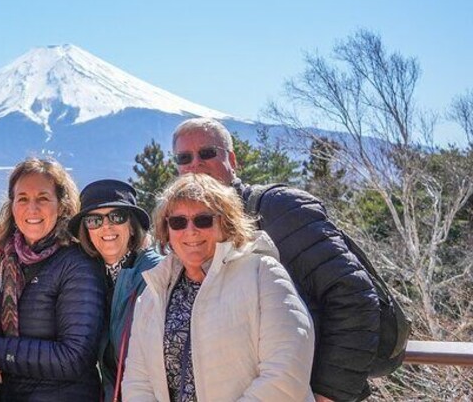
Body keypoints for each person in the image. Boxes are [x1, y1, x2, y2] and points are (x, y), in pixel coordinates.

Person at [171, 118, 381, 402]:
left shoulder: (280, 210)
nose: (195, 164)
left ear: (232, 160)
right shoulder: (186, 232)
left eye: (207, 153)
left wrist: (328, 393)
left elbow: (355, 296)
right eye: (185, 158)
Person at [123, 173, 314, 401]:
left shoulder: (263, 273)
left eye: (203, 220)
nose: (190, 230)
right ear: (166, 230)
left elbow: (285, 373)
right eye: (178, 222)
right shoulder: (153, 293)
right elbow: (138, 382)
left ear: (226, 223)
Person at [0, 158, 105, 401]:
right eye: (23, 199)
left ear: (62, 206)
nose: (32, 208)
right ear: (12, 206)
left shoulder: (77, 263)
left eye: (43, 198)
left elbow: (74, 357)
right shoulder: (3, 257)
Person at [68, 179, 162, 402]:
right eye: (94, 220)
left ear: (132, 226)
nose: (106, 226)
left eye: (117, 216)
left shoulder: (155, 274)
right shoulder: (93, 278)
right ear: (87, 231)